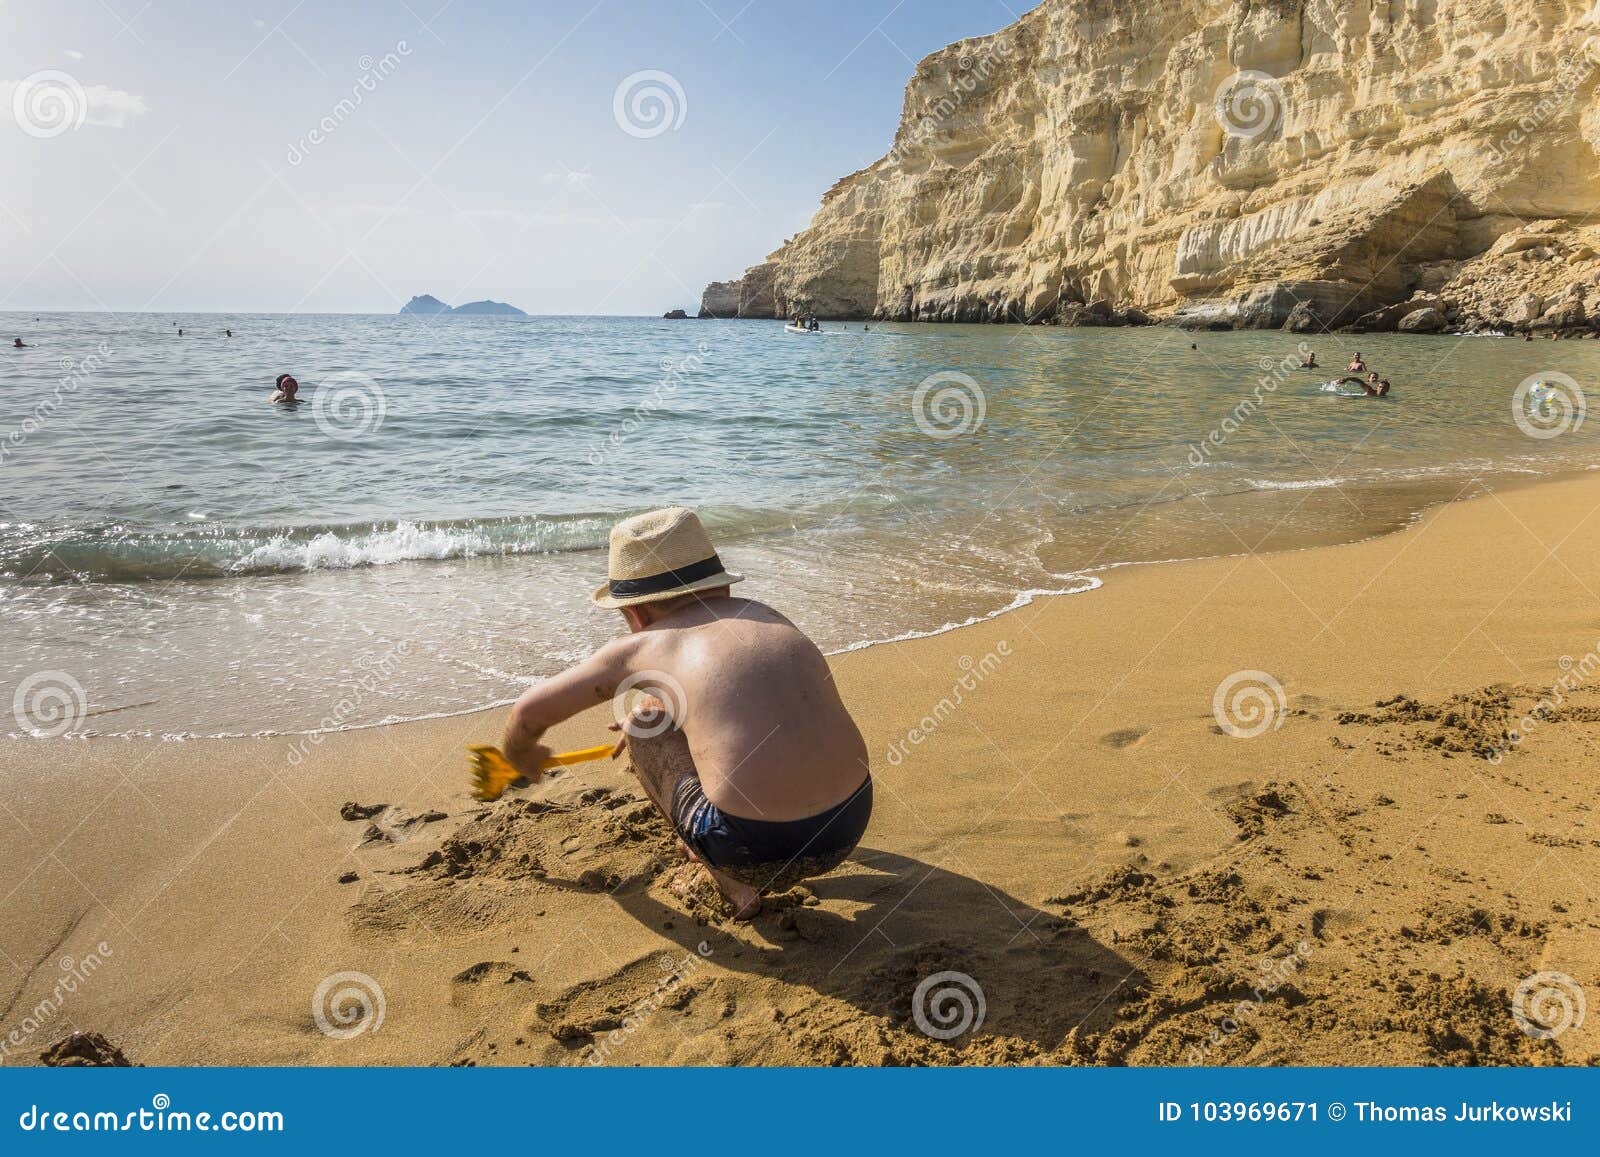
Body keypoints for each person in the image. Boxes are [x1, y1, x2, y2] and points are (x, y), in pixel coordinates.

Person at [497, 506, 872, 920]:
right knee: (699, 715)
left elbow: (529, 711)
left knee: (642, 725)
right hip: (850, 822)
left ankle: (733, 886)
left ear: (635, 613)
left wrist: (519, 755)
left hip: (751, 848)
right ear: (722, 589)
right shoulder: (766, 616)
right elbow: (727, 691)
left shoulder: (644, 646)